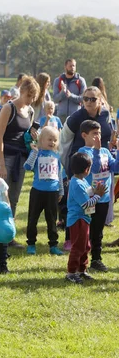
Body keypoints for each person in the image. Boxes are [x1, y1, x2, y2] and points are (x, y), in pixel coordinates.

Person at [0, 76, 39, 224]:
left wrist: (33, 137)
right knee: (0, 196)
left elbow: (26, 135)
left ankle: (8, 233)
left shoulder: (30, 111)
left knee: (14, 197)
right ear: (21, 91)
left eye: (33, 97)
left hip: (21, 158)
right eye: (29, 96)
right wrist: (1, 164)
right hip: (6, 156)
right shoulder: (8, 108)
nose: (30, 100)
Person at [77, 120, 119, 272]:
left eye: (99, 133)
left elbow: (116, 167)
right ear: (84, 135)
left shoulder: (105, 152)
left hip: (104, 198)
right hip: (89, 198)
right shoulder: (83, 152)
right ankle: (81, 260)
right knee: (86, 229)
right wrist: (96, 150)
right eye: (94, 134)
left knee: (98, 231)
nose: (98, 136)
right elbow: (94, 169)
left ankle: (96, 259)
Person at [65, 152, 106, 284]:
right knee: (78, 246)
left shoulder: (81, 181)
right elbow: (85, 204)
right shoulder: (76, 184)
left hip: (84, 219)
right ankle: (71, 272)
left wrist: (94, 191)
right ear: (87, 169)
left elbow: (88, 194)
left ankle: (82, 270)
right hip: (77, 219)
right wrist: (98, 196)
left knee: (86, 246)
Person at [23, 127, 64, 256]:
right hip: (38, 192)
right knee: (33, 218)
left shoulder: (56, 156)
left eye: (55, 140)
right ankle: (31, 243)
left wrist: (61, 191)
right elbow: (27, 167)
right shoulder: (37, 153)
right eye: (49, 139)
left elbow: (59, 174)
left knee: (52, 219)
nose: (52, 142)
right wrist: (34, 152)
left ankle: (53, 244)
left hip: (52, 192)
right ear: (41, 140)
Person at [60, 86, 112, 178]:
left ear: (100, 101)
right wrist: (68, 168)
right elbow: (64, 144)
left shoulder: (105, 115)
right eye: (86, 99)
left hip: (103, 164)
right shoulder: (74, 118)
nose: (89, 102)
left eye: (93, 99)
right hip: (81, 167)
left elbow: (108, 135)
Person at [53, 58, 86, 123]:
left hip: (75, 116)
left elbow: (84, 98)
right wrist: (62, 91)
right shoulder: (58, 81)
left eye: (74, 66)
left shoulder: (80, 81)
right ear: (65, 67)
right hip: (61, 117)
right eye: (70, 66)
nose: (72, 68)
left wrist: (71, 96)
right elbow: (55, 99)